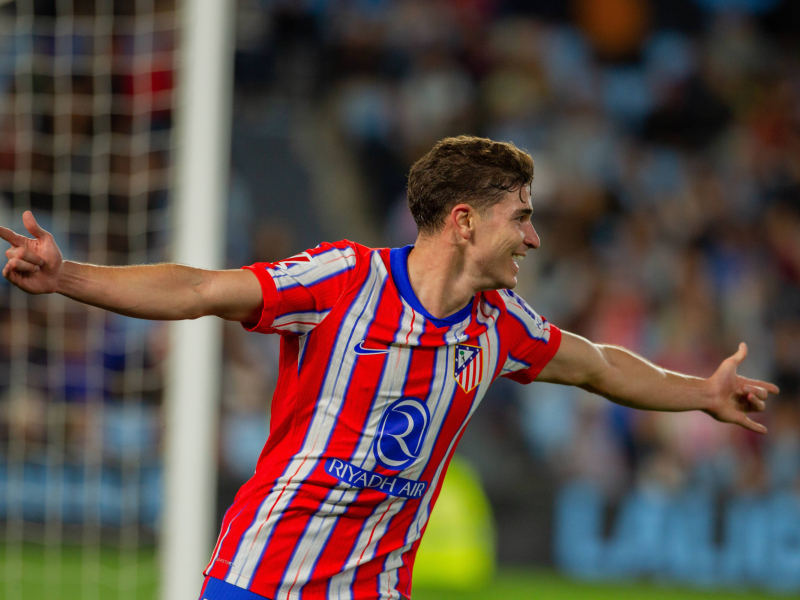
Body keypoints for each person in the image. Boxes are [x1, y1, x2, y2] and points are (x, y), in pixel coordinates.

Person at [1, 136, 779, 600]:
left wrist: (701, 393)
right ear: (466, 222)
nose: (534, 239)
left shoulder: (501, 325)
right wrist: (70, 277)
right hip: (265, 574)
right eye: (522, 217)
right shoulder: (344, 279)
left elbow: (600, 366)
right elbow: (204, 288)